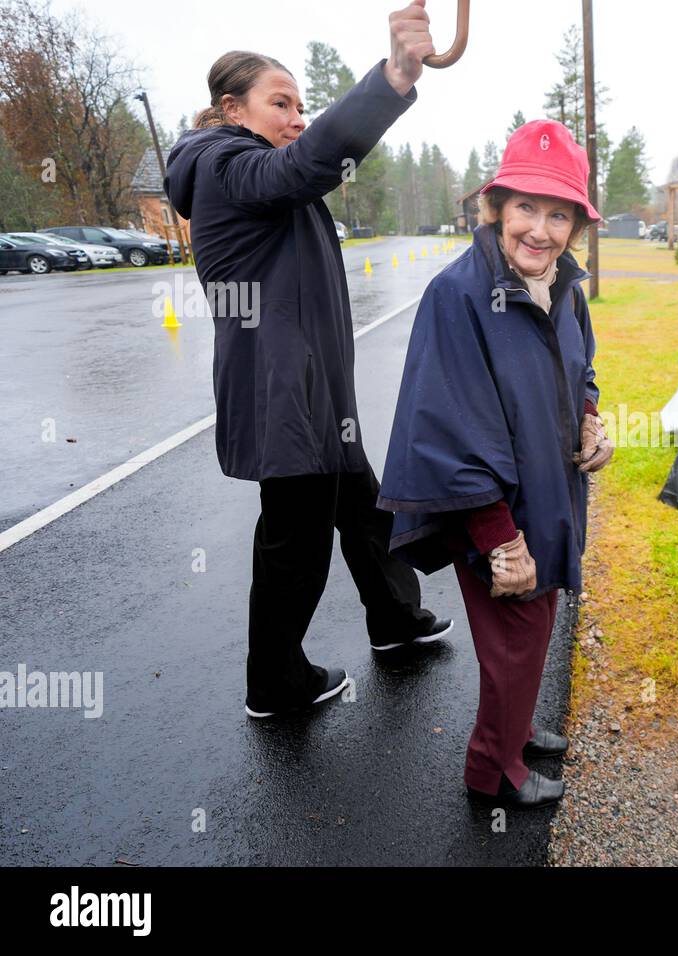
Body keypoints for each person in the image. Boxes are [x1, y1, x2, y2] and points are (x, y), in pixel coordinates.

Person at [164, 3, 454, 719]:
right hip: (283, 394)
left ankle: (393, 619)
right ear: (231, 109)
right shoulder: (227, 164)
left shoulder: (252, 171)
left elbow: (306, 167)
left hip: (317, 390)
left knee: (362, 506)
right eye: (280, 102)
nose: (297, 115)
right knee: (293, 539)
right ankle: (276, 681)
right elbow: (309, 162)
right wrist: (391, 79)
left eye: (302, 103)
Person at [376, 119, 613, 809]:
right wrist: (499, 540)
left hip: (551, 493)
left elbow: (581, 371)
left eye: (559, 213)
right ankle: (492, 770)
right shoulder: (458, 297)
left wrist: (592, 418)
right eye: (526, 209)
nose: (540, 230)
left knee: (538, 625)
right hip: (497, 516)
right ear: (497, 208)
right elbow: (450, 426)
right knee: (514, 638)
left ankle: (514, 731)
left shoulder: (564, 287)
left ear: (576, 224)